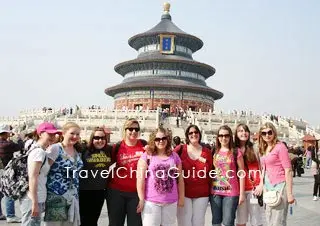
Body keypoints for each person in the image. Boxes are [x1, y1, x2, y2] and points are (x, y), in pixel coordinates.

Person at [136, 127, 184, 225]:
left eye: (163, 138)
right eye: (157, 139)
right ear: (153, 140)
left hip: (171, 201)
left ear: (168, 139)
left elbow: (180, 179)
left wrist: (181, 197)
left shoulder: (175, 156)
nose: (161, 141)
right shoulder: (147, 156)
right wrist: (141, 199)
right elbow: (140, 179)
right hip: (151, 201)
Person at [20, 122, 61, 226]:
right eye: (49, 134)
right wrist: (34, 202)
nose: (52, 137)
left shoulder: (41, 150)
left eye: (54, 134)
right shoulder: (39, 152)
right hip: (33, 198)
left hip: (37, 197)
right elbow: (33, 177)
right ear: (40, 134)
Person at [107, 118, 146, 226]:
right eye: (130, 129)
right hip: (116, 192)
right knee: (115, 223)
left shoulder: (144, 146)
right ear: (125, 130)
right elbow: (106, 164)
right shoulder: (118, 146)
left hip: (136, 194)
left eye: (136, 129)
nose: (134, 132)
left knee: (135, 224)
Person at [44, 122, 83, 226]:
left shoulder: (77, 151)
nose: (75, 136)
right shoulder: (55, 148)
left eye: (78, 134)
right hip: (56, 195)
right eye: (72, 133)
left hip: (73, 196)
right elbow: (43, 172)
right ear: (64, 133)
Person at [258, 122, 294, 226]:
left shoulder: (280, 147)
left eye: (269, 132)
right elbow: (264, 167)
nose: (267, 135)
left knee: (278, 221)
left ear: (274, 133)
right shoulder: (264, 148)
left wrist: (290, 194)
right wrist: (262, 184)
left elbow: (288, 170)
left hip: (280, 186)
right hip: (268, 187)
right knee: (269, 219)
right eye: (264, 133)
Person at [175, 125, 212, 226]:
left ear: (199, 134)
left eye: (196, 132)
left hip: (202, 194)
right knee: (184, 222)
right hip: (184, 193)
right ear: (187, 135)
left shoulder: (207, 152)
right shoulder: (180, 149)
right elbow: (166, 156)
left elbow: (211, 172)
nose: (193, 134)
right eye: (190, 133)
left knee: (198, 222)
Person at [210, 125, 245, 226]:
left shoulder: (235, 152)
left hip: (231, 193)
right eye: (221, 135)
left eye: (226, 135)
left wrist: (241, 193)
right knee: (216, 222)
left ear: (230, 137)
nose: (223, 138)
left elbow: (241, 172)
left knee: (228, 222)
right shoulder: (214, 151)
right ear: (218, 137)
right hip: (215, 192)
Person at [79, 127, 113, 226]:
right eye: (97, 138)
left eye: (103, 138)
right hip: (84, 191)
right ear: (92, 139)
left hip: (100, 191)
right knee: (83, 220)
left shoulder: (109, 150)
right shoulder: (84, 149)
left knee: (94, 220)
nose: (100, 140)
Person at [234, 124, 263, 226]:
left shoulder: (255, 148)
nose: (243, 133)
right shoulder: (233, 149)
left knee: (256, 220)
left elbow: (262, 167)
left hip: (254, 189)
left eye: (245, 130)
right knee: (241, 221)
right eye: (240, 131)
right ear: (236, 134)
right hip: (239, 190)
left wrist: (261, 185)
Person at [0, 124, 23, 223]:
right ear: (6, 133)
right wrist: (18, 137)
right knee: (9, 192)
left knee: (0, 193)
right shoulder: (7, 144)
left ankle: (0, 214)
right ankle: (10, 215)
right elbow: (20, 146)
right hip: (5, 171)